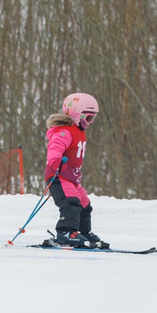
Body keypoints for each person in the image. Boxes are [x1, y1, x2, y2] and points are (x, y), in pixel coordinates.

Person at [44, 91, 105, 248]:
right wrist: (56, 161)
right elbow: (54, 148)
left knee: (84, 204)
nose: (90, 122)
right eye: (89, 117)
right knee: (71, 201)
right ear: (76, 114)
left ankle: (83, 232)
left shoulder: (78, 131)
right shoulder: (64, 131)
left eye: (93, 118)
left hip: (72, 177)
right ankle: (65, 232)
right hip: (59, 176)